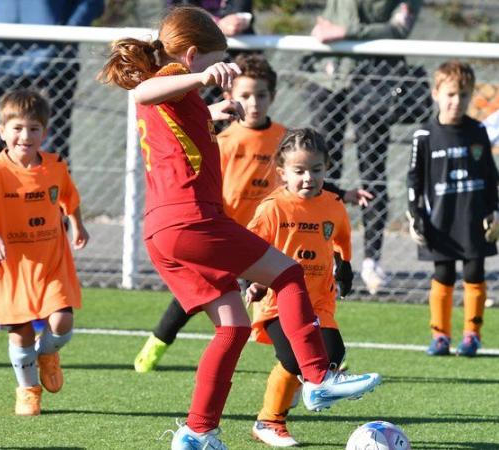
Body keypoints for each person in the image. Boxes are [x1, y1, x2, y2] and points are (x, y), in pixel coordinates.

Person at [98, 7, 380, 449]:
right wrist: (201, 79)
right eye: (214, 61)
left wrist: (211, 107)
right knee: (287, 273)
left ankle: (198, 432)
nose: (220, 71)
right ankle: (318, 376)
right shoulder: (169, 83)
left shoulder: (183, 98)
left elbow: (175, 121)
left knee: (232, 327)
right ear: (192, 56)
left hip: (163, 231)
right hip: (191, 219)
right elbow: (143, 93)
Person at [133, 53, 372, 374]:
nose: (254, 102)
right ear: (229, 96)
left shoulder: (284, 138)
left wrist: (343, 194)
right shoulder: (222, 139)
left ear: (273, 96)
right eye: (245, 95)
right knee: (193, 296)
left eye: (261, 95)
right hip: (223, 229)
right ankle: (157, 343)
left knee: (278, 289)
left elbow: (308, 176)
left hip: (268, 232)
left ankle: (303, 363)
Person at [0, 88, 89, 415]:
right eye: (17, 128)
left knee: (61, 322)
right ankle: (28, 389)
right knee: (20, 333)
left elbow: (69, 198)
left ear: (44, 132)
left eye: (34, 128)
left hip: (51, 262)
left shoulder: (55, 166)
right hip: (11, 268)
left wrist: (77, 224)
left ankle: (48, 353)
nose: (25, 136)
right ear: (2, 131)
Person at [304, 0, 422, 294]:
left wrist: (346, 31)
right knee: (324, 171)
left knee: (372, 170)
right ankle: (326, 255)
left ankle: (372, 260)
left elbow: (397, 28)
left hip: (374, 81)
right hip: (328, 78)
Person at [246, 128, 354, 447]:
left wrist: (345, 267)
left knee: (333, 353)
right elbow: (249, 248)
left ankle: (293, 388)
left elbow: (342, 239)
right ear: (282, 173)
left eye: (316, 170)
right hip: (277, 301)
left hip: (319, 300)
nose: (309, 178)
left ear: (327, 169)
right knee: (294, 358)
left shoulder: (333, 205)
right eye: (299, 171)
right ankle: (268, 421)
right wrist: (253, 281)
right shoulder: (272, 208)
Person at [406, 60, 498, 357]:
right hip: (440, 219)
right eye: (450, 94)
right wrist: (414, 214)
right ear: (436, 93)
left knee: (474, 272)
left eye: (463, 95)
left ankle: (472, 334)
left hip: (474, 217)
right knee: (443, 273)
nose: (456, 102)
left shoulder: (478, 132)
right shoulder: (424, 135)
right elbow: (414, 178)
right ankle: (440, 336)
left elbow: (490, 175)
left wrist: (495, 210)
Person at [0, 0, 105, 162]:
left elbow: (91, 3)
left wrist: (67, 35)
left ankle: (50, 187)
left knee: (53, 150)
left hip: (53, 64)